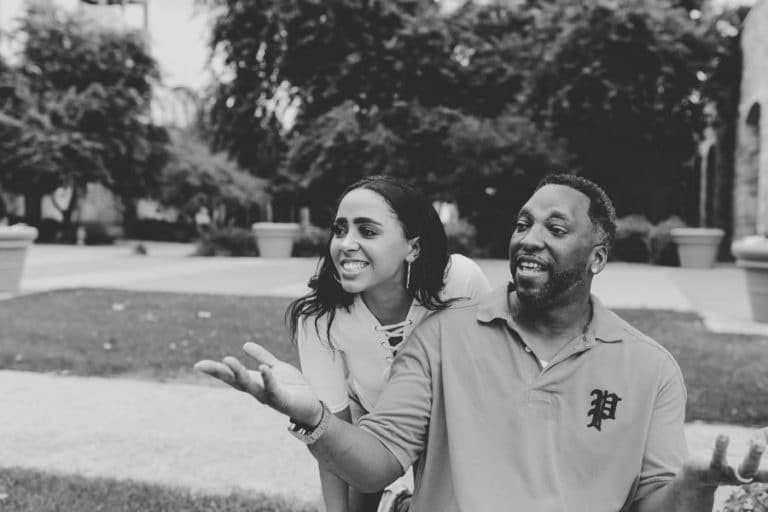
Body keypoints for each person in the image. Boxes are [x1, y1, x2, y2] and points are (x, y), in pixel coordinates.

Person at [196, 173, 767, 511]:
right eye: (523, 224)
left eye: (556, 229)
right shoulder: (442, 334)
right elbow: (374, 466)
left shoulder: (651, 369)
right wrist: (313, 417)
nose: (530, 239)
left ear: (597, 257)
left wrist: (696, 483)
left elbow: (655, 507)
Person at [211, 175, 491, 512]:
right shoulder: (319, 319)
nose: (345, 243)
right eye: (340, 230)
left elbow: (496, 376)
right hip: (371, 432)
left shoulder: (460, 280)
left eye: (368, 231)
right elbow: (333, 433)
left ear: (413, 247)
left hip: (452, 427)